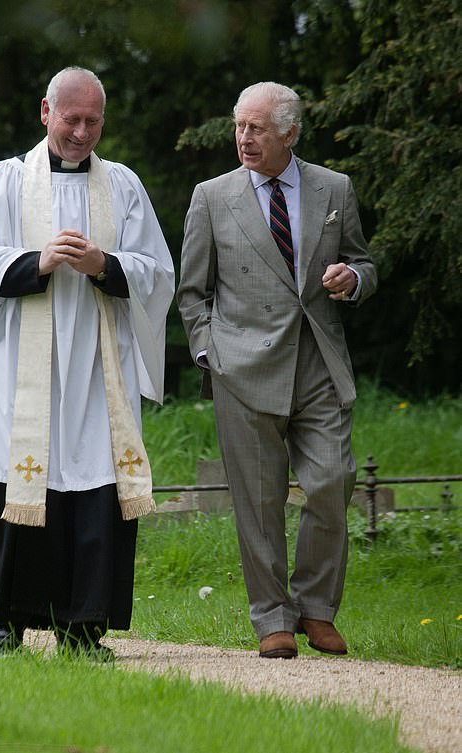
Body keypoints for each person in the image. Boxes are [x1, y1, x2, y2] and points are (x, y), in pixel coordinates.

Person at [0, 67, 174, 658]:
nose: (81, 132)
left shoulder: (124, 187)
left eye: (92, 121)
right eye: (71, 119)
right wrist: (33, 262)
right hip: (18, 370)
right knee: (13, 490)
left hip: (95, 371)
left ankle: (82, 629)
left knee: (94, 494)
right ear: (45, 112)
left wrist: (103, 264)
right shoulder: (3, 183)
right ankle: (8, 622)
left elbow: (157, 272)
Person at [177, 81, 377, 659]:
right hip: (242, 368)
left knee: (331, 481)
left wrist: (354, 279)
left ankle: (317, 609)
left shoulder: (334, 187)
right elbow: (193, 292)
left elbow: (363, 260)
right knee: (258, 500)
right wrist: (210, 352)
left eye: (256, 128)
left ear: (289, 133)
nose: (243, 137)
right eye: (239, 125)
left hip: (318, 358)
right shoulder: (211, 197)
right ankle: (273, 619)